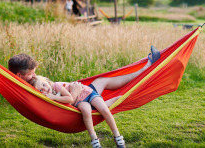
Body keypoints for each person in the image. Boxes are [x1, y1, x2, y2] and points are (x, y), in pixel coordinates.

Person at [8, 46, 161, 148]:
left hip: (80, 93)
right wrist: (74, 89)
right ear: (19, 75)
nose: (35, 75)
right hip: (77, 98)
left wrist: (74, 88)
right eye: (31, 73)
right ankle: (146, 71)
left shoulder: (27, 83)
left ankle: (146, 67)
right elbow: (66, 99)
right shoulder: (33, 88)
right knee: (108, 94)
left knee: (102, 81)